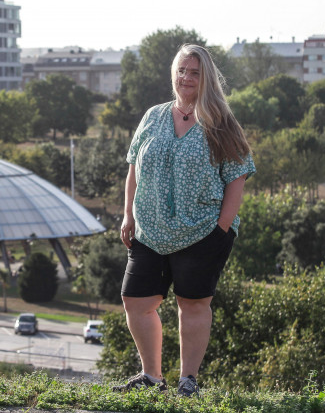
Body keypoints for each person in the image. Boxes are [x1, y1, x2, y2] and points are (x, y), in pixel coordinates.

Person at [113, 44, 255, 397]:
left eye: (194, 72)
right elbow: (133, 167)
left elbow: (237, 177)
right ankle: (151, 376)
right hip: (149, 230)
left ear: (205, 77)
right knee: (136, 301)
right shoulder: (153, 116)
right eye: (181, 70)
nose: (186, 78)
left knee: (192, 303)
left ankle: (187, 380)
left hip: (202, 232)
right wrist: (128, 214)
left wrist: (221, 230)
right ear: (172, 74)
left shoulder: (221, 121)